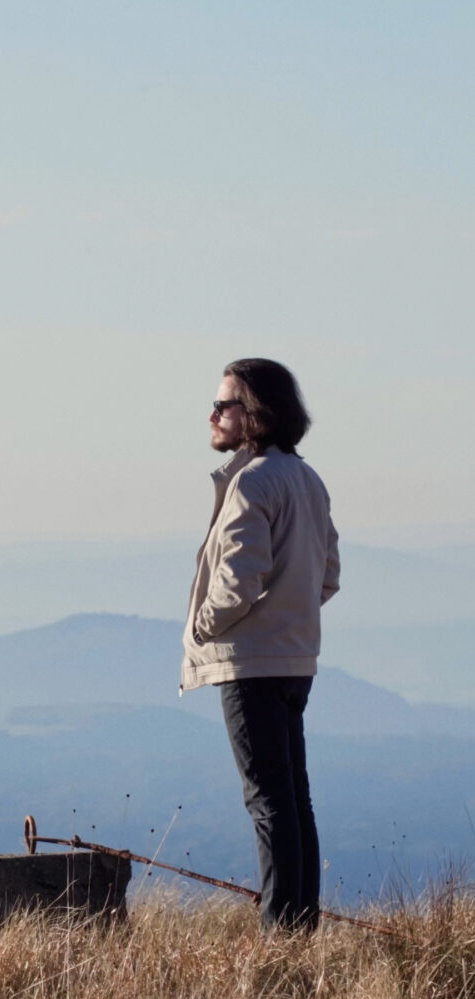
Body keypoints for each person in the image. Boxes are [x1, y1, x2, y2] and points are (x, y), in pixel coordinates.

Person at [180, 358, 340, 933]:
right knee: (294, 800)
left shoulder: (252, 482)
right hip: (297, 661)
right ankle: (300, 928)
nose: (213, 415)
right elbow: (328, 574)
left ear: (256, 416)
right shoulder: (306, 479)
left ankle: (280, 938)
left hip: (251, 664)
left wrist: (203, 625)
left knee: (267, 804)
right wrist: (289, 615)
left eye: (224, 405)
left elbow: (239, 581)